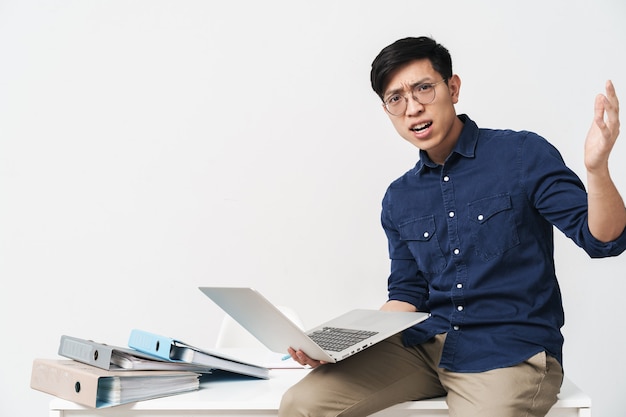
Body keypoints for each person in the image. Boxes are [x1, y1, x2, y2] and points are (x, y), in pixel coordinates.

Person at [278, 36, 626, 417]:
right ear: (387, 110)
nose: (412, 108)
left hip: (509, 351)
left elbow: (602, 240)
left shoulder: (522, 154)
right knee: (301, 403)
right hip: (424, 347)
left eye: (423, 88)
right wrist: (349, 343)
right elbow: (407, 294)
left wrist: (596, 169)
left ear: (453, 88)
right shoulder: (399, 197)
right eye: (396, 99)